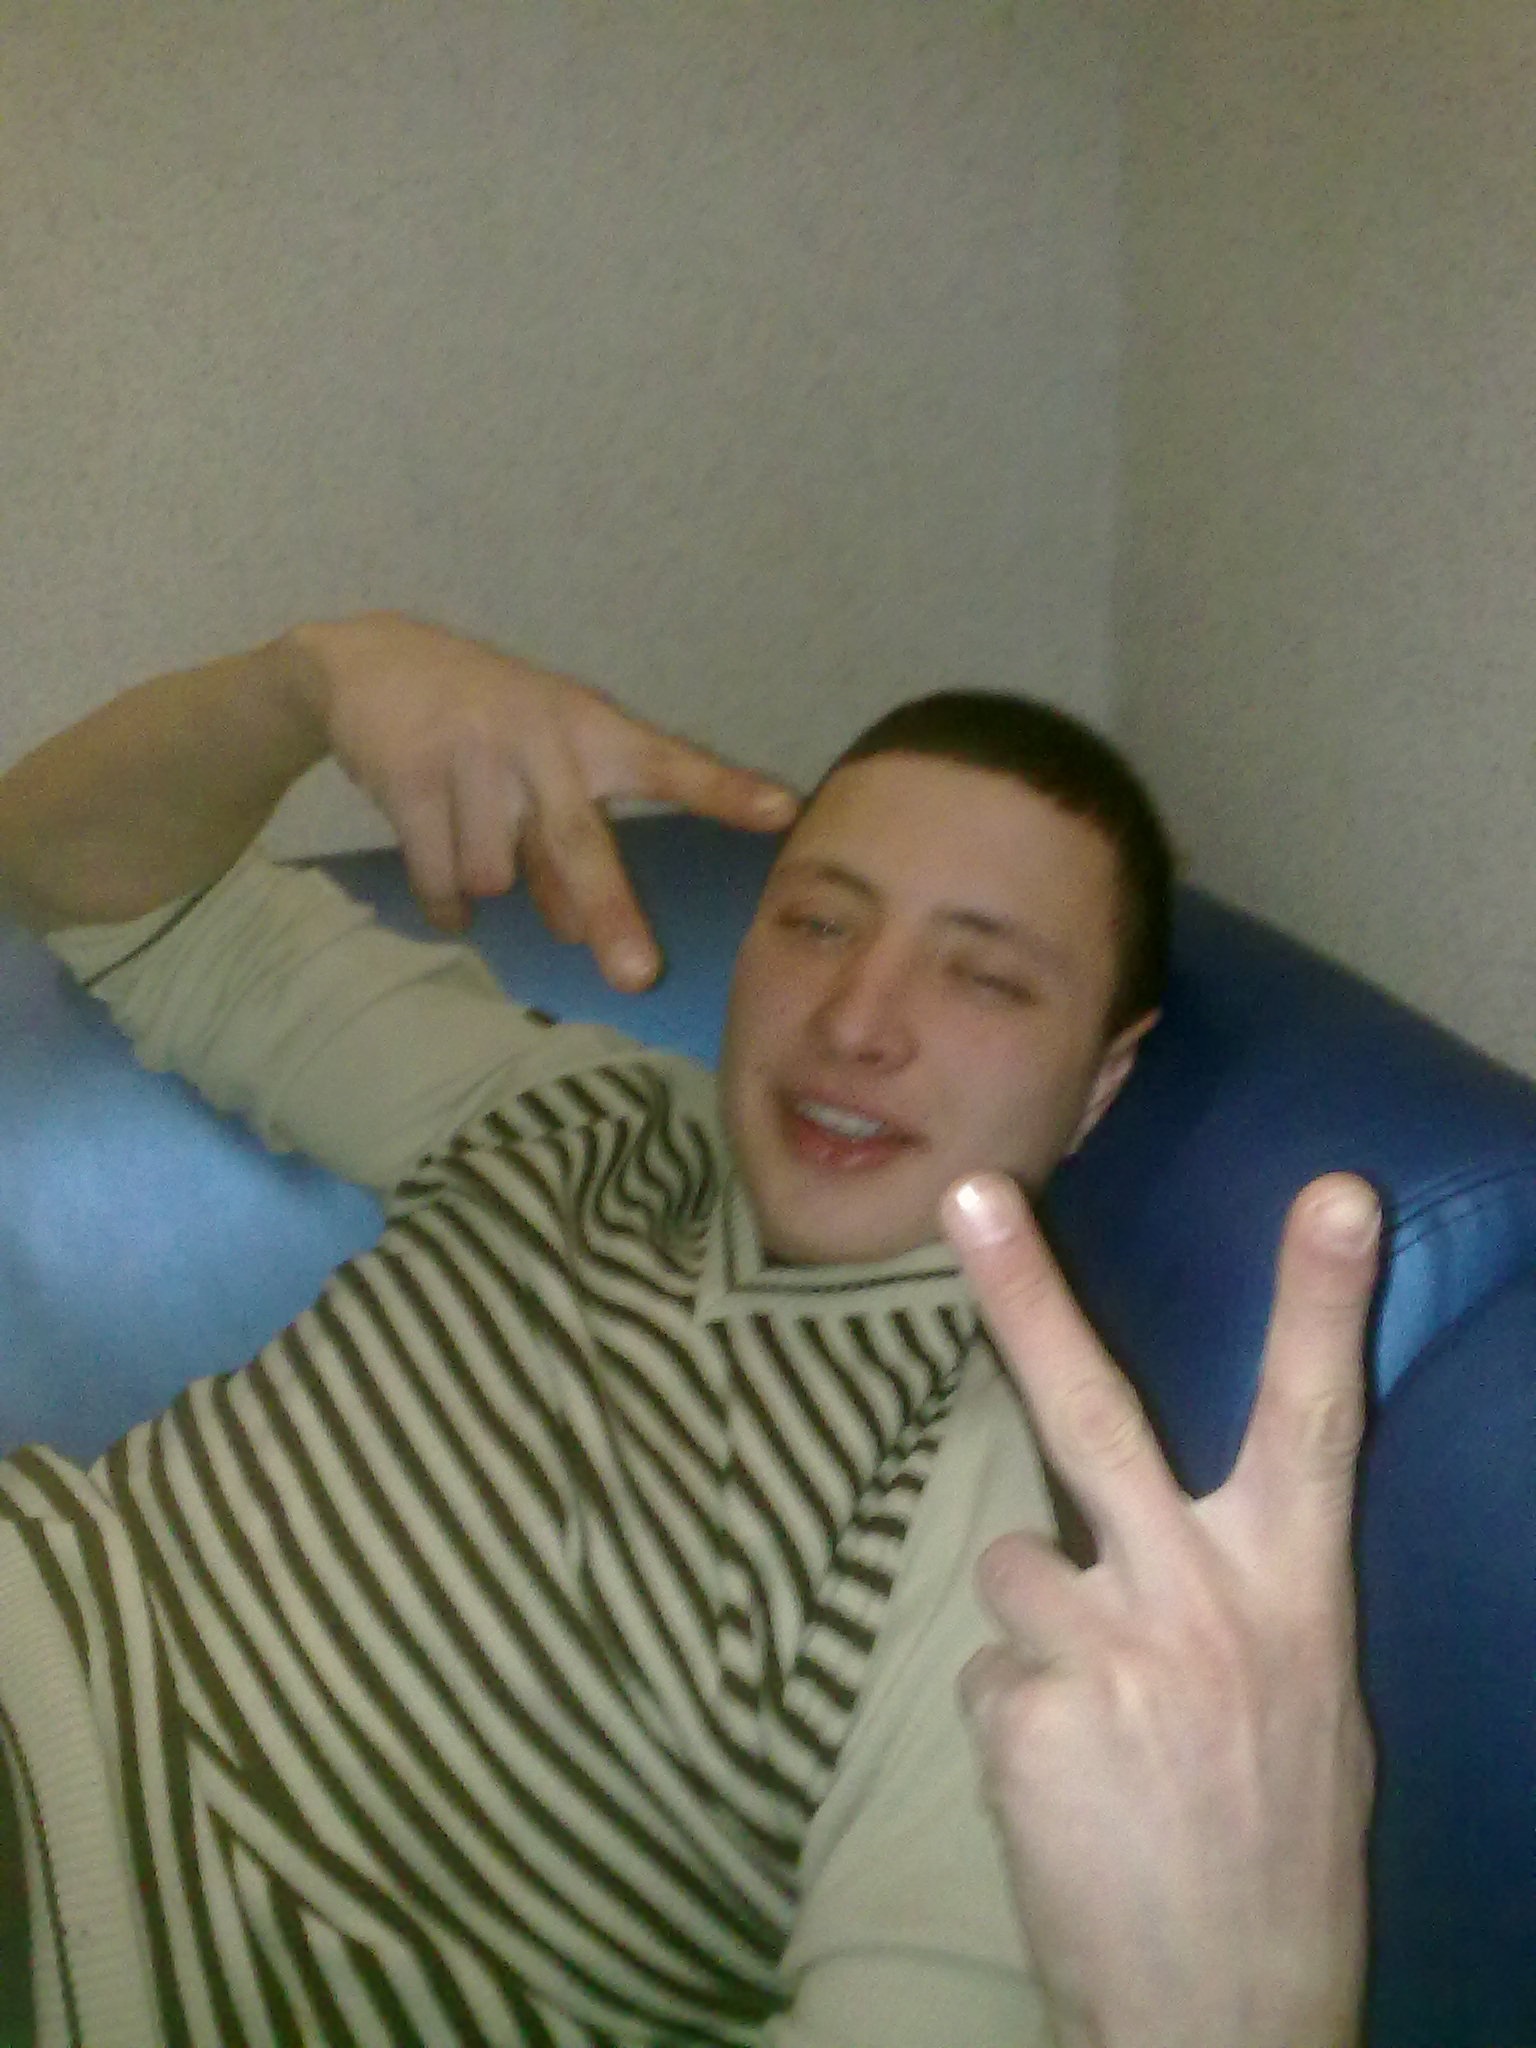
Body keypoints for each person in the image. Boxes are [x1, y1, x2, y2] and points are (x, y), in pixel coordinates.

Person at [0, 613, 1373, 2047]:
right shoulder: (573, 1112)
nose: (856, 1021)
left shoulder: (999, 1532)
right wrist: (312, 679)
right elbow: (66, 868)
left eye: (982, 976)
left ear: (1100, 1083)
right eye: (819, 924)